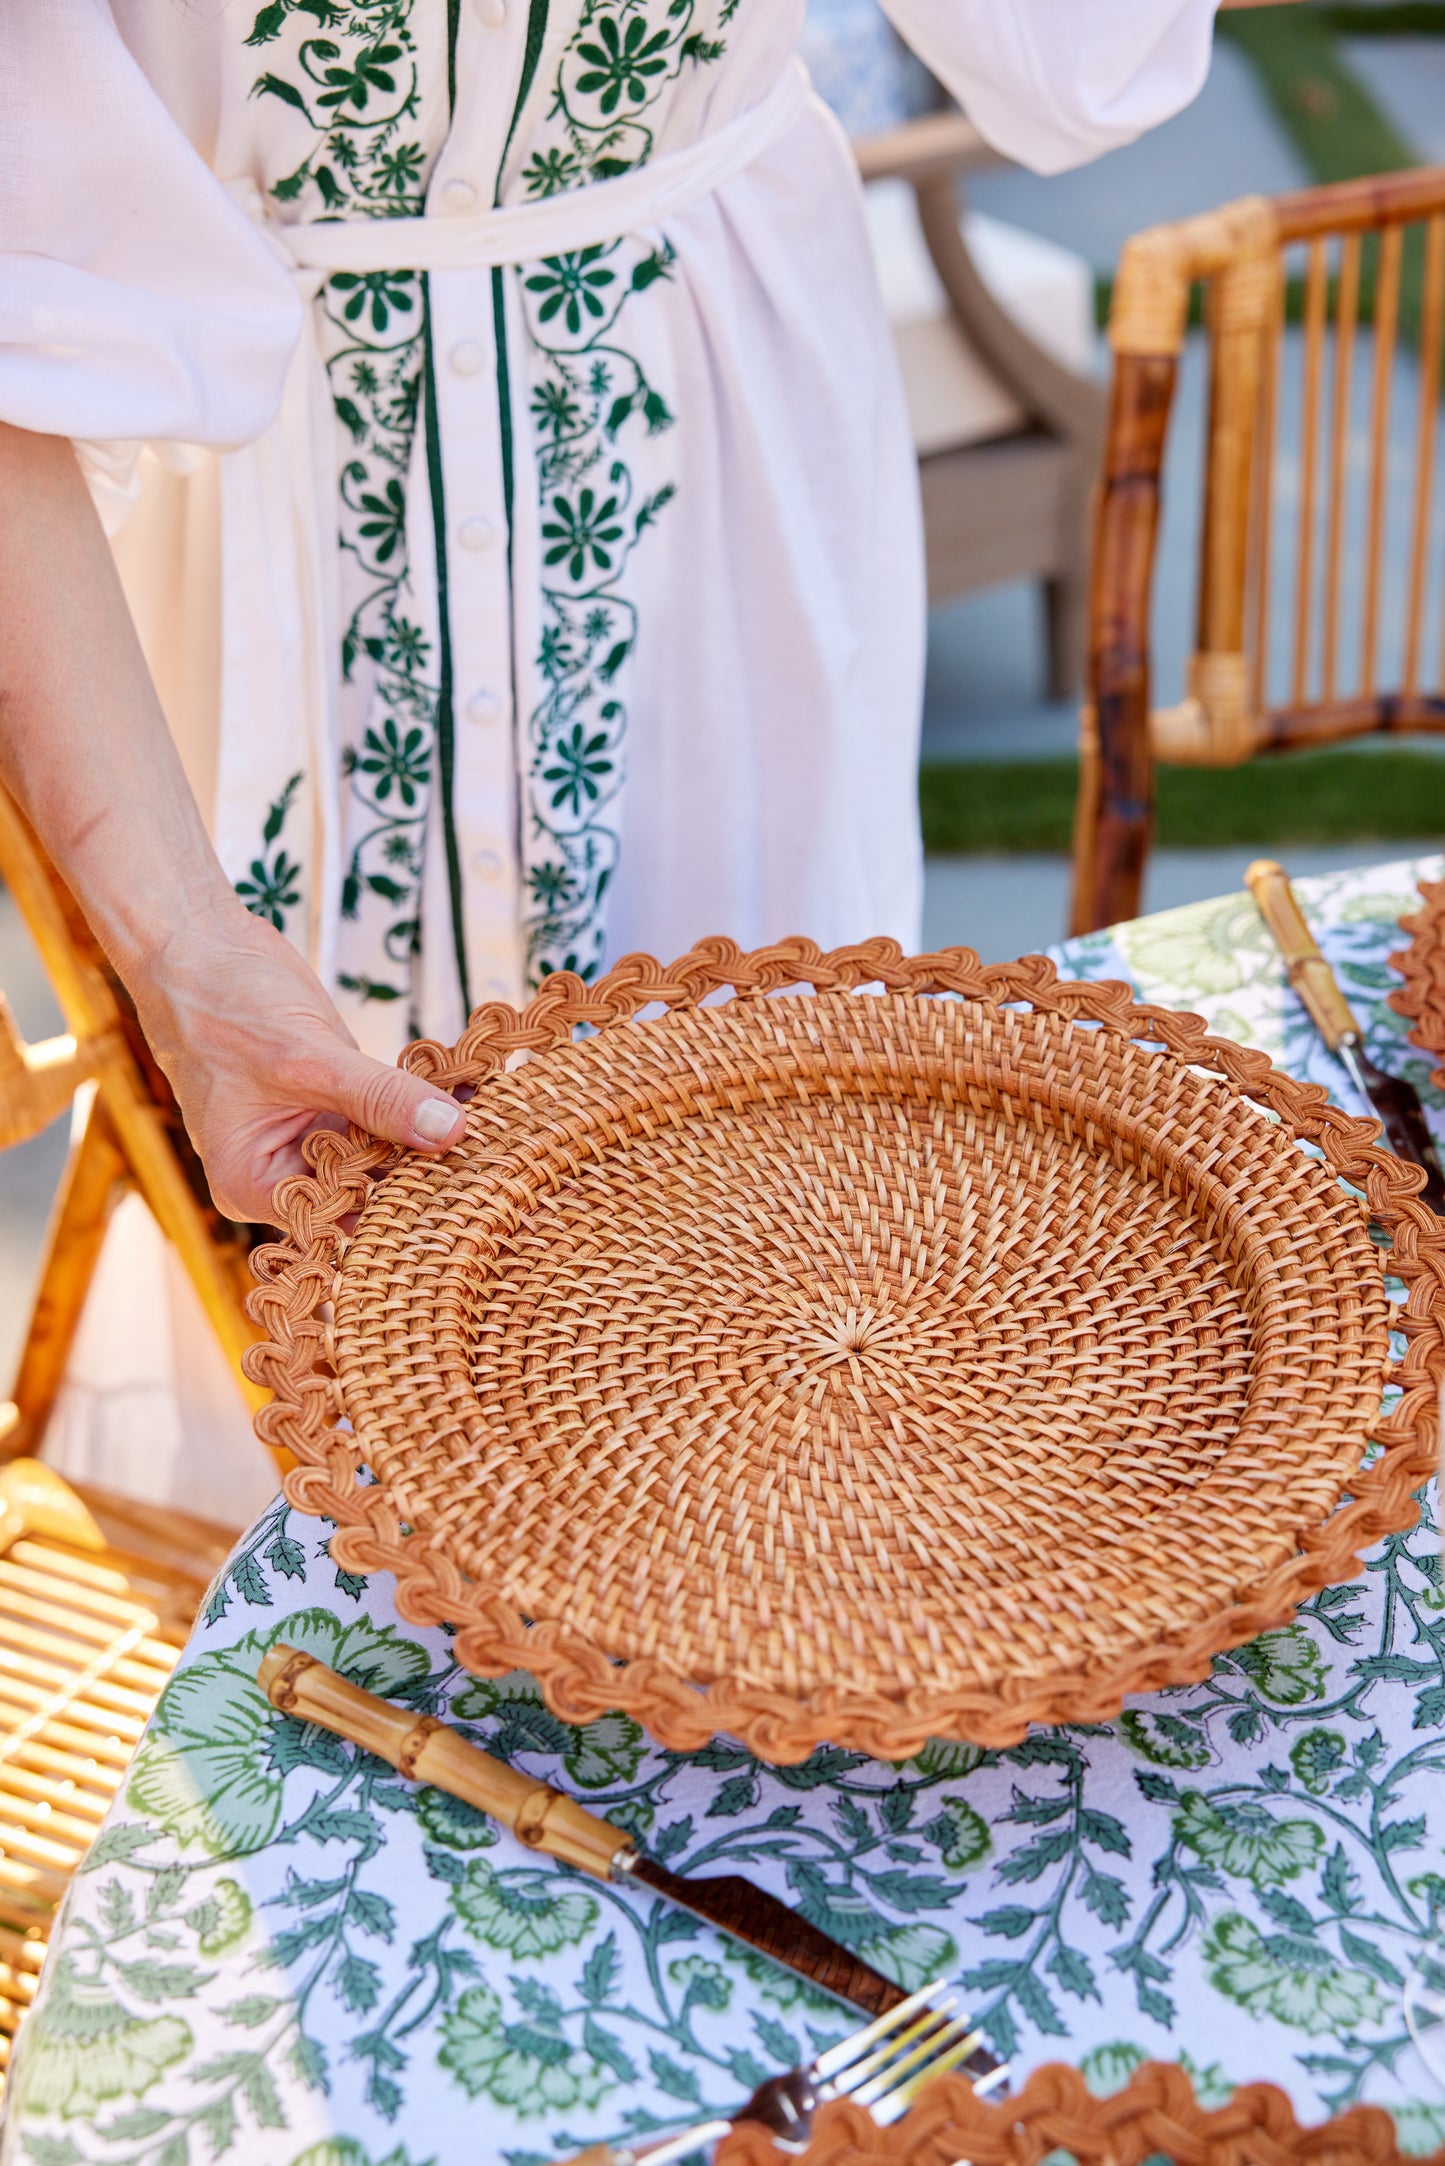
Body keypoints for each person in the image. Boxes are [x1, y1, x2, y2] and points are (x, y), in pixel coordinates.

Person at [0, 0, 1283, 1507]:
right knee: (289, 1290)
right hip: (248, 508)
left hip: (711, 486)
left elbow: (1069, 46)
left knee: (804, 1244)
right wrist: (184, 948)